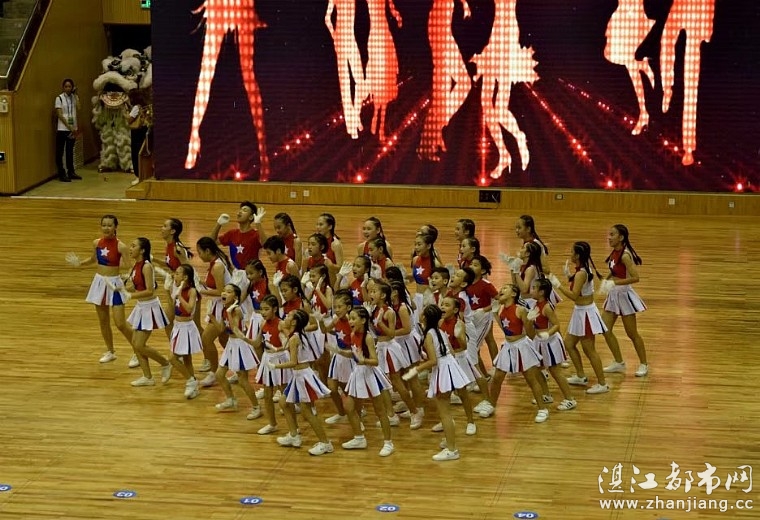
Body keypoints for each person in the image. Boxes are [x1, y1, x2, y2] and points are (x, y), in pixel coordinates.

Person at [403, 305, 469, 461]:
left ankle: (452, 450)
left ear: (425, 318)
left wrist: (415, 370)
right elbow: (450, 351)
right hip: (450, 366)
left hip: (442, 370)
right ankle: (449, 439)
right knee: (446, 411)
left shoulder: (429, 335)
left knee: (444, 413)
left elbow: (433, 361)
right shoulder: (440, 331)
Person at [65, 214, 132, 363]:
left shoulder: (121, 246)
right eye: (104, 225)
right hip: (99, 283)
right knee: (103, 321)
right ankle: (110, 351)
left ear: (115, 227)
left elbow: (130, 267)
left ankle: (137, 350)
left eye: (109, 225)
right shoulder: (96, 243)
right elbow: (93, 260)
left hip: (114, 285)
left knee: (120, 323)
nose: (106, 228)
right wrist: (79, 263)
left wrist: (127, 278)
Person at [549, 242, 610, 394]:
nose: (570, 254)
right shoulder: (582, 270)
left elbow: (574, 295)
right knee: (569, 344)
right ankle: (581, 376)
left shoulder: (581, 273)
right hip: (580, 312)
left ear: (577, 255)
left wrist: (558, 285)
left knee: (589, 350)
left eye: (572, 252)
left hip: (586, 314)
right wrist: (569, 276)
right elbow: (581, 287)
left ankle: (602, 383)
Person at [272, 309, 333, 456]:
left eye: (288, 316)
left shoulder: (295, 338)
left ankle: (325, 443)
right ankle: (294, 435)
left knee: (307, 411)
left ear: (294, 322)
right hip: (298, 375)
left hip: (303, 376)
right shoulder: (296, 334)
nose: (285, 317)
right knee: (284, 402)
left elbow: (293, 362)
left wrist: (275, 366)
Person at [338, 306, 395, 456]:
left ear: (363, 320)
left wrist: (364, 361)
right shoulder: (352, 334)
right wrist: (341, 352)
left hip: (370, 374)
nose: (350, 321)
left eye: (353, 318)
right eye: (350, 318)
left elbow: (375, 361)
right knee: (349, 407)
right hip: (358, 373)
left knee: (380, 411)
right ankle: (359, 438)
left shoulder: (368, 337)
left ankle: (388, 443)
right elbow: (355, 354)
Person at [600, 225, 649, 376]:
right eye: (609, 234)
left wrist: (614, 283)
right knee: (605, 329)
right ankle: (618, 362)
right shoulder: (615, 252)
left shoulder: (625, 255)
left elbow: (635, 278)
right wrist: (605, 281)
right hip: (614, 294)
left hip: (624, 296)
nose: (609, 237)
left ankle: (644, 364)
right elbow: (614, 269)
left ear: (621, 237)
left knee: (632, 333)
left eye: (612, 234)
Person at [124, 237, 172, 387]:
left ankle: (165, 363)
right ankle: (147, 377)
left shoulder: (146, 266)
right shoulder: (136, 265)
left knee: (139, 345)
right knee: (135, 344)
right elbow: (137, 286)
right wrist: (122, 288)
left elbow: (150, 290)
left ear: (142, 250)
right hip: (141, 306)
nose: (130, 248)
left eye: (133, 246)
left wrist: (130, 295)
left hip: (149, 308)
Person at [211, 284, 262, 419]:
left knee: (242, 380)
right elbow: (221, 329)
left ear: (236, 297)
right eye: (224, 291)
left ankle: (256, 407)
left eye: (229, 292)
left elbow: (234, 329)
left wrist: (228, 313)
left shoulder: (237, 310)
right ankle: (231, 399)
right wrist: (211, 316)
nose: (224, 293)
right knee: (219, 374)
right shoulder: (225, 309)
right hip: (231, 344)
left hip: (241, 345)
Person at [167, 264, 203, 399]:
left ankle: (190, 381)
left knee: (172, 358)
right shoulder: (177, 288)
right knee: (187, 359)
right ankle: (194, 386)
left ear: (185, 277)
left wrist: (179, 296)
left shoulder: (192, 291)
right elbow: (173, 307)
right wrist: (169, 291)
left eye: (177, 273)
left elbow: (189, 309)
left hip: (187, 327)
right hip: (177, 326)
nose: (174, 275)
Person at [54, 79, 82, 182]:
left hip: (73, 128)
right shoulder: (59, 98)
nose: (68, 88)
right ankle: (61, 173)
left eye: (70, 86)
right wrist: (69, 127)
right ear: (63, 87)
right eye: (66, 86)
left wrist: (76, 95)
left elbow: (79, 108)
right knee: (60, 152)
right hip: (63, 129)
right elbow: (59, 114)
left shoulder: (74, 98)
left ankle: (71, 172)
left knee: (70, 151)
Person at [127, 89, 150, 185]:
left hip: (137, 132)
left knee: (136, 153)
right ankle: (144, 174)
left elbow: (129, 119)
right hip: (144, 131)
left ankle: (138, 175)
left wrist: (125, 113)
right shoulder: (146, 106)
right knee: (143, 153)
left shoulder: (136, 107)